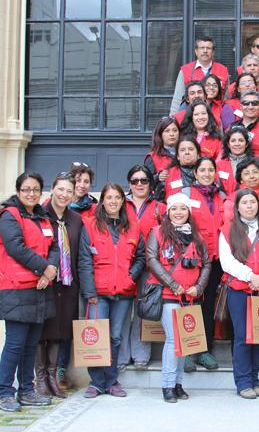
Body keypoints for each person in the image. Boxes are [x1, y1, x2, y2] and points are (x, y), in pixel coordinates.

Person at [0, 172, 59, 412]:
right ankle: (5, 392)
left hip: (40, 287)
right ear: (18, 191)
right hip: (17, 288)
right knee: (15, 344)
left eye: (35, 189)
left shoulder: (42, 217)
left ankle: (27, 390)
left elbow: (53, 247)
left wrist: (49, 271)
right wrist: (44, 268)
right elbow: (16, 248)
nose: (31, 194)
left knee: (31, 344)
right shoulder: (9, 216)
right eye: (26, 189)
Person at [79, 182, 146, 399]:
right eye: (109, 197)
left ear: (123, 201)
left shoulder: (133, 226)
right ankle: (96, 382)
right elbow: (84, 260)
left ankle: (111, 381)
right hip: (98, 292)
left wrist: (131, 276)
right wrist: (89, 292)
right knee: (96, 336)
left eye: (117, 197)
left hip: (123, 291)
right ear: (102, 201)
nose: (113, 201)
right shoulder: (90, 225)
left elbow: (141, 256)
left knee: (115, 337)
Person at [145, 192, 212, 403]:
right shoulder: (157, 232)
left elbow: (207, 263)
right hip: (168, 294)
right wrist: (173, 285)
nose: (179, 212)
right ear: (168, 212)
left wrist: (199, 287)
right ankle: (167, 384)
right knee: (174, 339)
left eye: (183, 208)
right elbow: (151, 260)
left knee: (185, 341)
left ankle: (178, 384)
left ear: (189, 212)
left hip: (189, 297)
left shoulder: (197, 237)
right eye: (174, 208)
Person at [219, 188, 259, 399]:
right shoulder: (228, 230)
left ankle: (255, 380)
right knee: (242, 336)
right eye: (244, 202)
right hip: (239, 290)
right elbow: (227, 261)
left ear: (258, 205)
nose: (249, 206)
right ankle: (243, 382)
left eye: (252, 202)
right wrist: (250, 276)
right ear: (237, 207)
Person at [36, 173, 93, 400]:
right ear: (52, 190)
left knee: (60, 332)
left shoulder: (76, 219)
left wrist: (87, 288)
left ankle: (53, 378)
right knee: (42, 332)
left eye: (69, 191)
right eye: (61, 189)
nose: (64, 194)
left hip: (68, 285)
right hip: (45, 283)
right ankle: (40, 378)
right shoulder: (40, 215)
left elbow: (83, 256)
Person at [117, 166, 167, 373]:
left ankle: (140, 354)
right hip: (123, 265)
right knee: (121, 311)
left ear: (150, 183)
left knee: (143, 310)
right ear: (129, 183)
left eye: (144, 180)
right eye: (135, 180)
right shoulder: (120, 204)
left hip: (149, 267)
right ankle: (121, 355)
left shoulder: (159, 208)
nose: (139, 184)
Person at [182, 156, 228, 372]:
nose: (207, 174)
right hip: (191, 259)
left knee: (207, 305)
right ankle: (188, 352)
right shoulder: (185, 194)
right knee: (189, 304)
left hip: (215, 260)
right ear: (195, 173)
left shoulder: (223, 196)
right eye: (203, 170)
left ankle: (205, 351)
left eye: (211, 170)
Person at [171, 36, 230, 114]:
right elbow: (178, 98)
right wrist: (173, 117)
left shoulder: (223, 70)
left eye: (208, 48)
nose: (205, 51)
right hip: (192, 115)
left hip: (218, 115)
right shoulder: (185, 70)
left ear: (213, 52)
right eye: (202, 48)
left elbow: (227, 97)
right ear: (196, 51)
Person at [222, 157, 259, 226]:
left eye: (255, 172)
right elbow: (229, 228)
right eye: (246, 173)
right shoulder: (231, 202)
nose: (251, 176)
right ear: (241, 179)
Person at [144, 117, 180, 201]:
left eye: (175, 130)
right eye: (167, 131)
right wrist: (158, 177)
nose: (172, 134)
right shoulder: (152, 157)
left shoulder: (186, 152)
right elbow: (144, 182)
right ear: (160, 134)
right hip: (162, 201)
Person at [216, 125, 254, 195]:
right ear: (228, 144)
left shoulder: (254, 164)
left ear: (246, 144)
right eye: (233, 141)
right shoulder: (219, 165)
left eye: (241, 140)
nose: (237, 144)